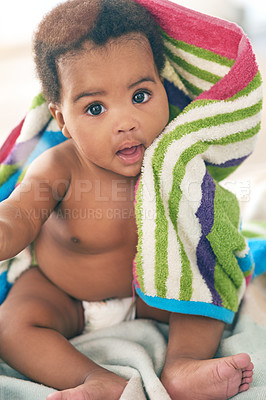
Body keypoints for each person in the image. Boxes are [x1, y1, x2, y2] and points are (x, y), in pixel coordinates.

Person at [0, 0, 254, 399]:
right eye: (95, 108)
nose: (125, 122)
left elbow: (206, 231)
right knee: (11, 326)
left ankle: (182, 366)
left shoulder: (175, 159)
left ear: (163, 88)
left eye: (140, 95)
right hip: (62, 294)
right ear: (62, 119)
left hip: (151, 295)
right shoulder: (59, 166)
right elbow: (19, 214)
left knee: (208, 290)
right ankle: (95, 380)